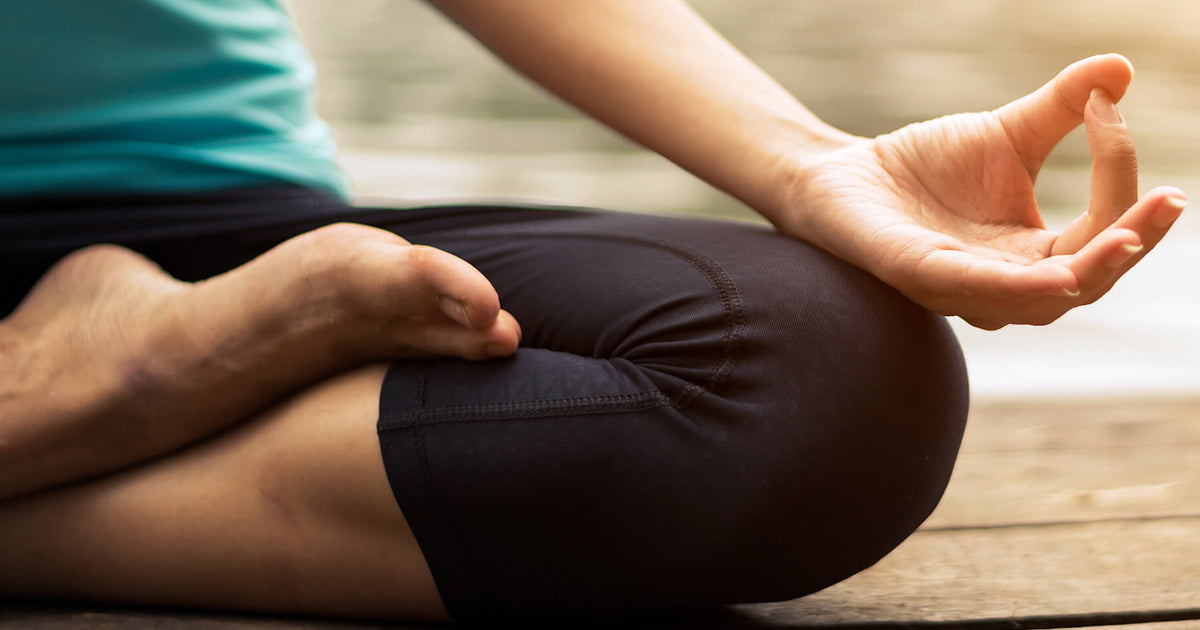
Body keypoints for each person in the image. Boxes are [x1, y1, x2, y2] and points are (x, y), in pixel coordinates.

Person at [0, 0, 1185, 624]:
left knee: (823, 375)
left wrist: (809, 165)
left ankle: (107, 387)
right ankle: (75, 404)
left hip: (224, 207)